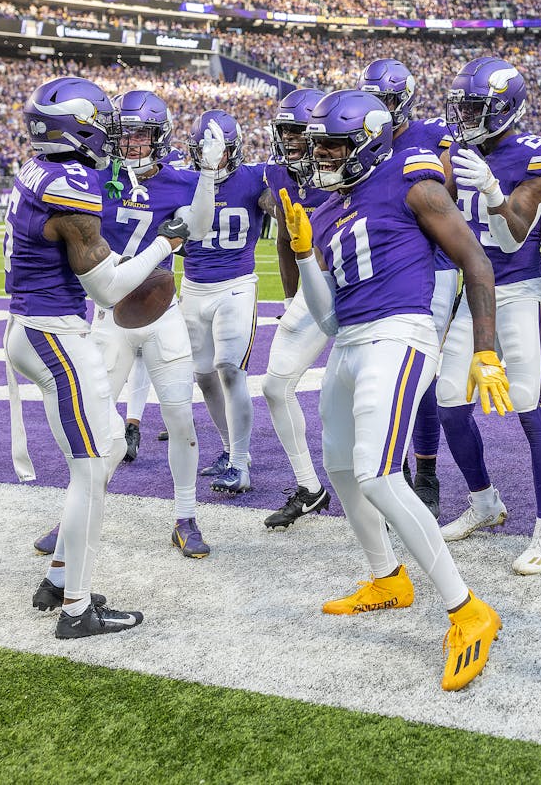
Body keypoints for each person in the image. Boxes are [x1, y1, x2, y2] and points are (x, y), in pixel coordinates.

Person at [282, 88, 508, 690]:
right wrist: (303, 255)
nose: (322, 155)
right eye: (317, 144)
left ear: (368, 143)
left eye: (334, 144)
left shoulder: (412, 179)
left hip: (400, 333)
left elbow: (476, 262)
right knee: (344, 469)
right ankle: (388, 577)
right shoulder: (328, 207)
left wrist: (485, 349)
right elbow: (328, 320)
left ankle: (468, 609)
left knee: (380, 473)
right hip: (351, 339)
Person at [2, 75, 191, 638]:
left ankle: (60, 577)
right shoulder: (69, 184)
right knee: (91, 471)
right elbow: (107, 290)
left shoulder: (38, 169)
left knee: (105, 447)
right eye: (101, 125)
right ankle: (78, 609)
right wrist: (165, 244)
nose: (109, 135)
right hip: (54, 335)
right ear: (79, 128)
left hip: (30, 327)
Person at [53, 88, 220, 558]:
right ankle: (74, 516)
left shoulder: (178, 181)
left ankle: (185, 516)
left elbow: (201, 228)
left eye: (142, 136)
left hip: (162, 312)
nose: (131, 146)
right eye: (124, 136)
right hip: (109, 315)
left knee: (180, 418)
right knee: (97, 424)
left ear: (159, 138)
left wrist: (207, 176)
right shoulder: (92, 176)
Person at [437, 57, 541, 576]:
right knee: (449, 402)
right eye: (462, 105)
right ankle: (485, 501)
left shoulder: (539, 154)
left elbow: (514, 235)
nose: (465, 116)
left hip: (518, 292)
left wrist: (492, 190)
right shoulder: (457, 150)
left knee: (530, 410)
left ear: (505, 109)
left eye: (476, 107)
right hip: (472, 293)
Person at [360, 58, 459, 517]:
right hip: (376, 264)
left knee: (420, 375)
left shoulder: (431, 136)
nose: (379, 108)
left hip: (430, 265)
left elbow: (446, 202)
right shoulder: (354, 134)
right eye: (374, 99)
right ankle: (389, 467)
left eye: (388, 100)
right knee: (374, 370)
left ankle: (425, 471)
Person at [255, 88, 336, 529]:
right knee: (274, 385)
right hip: (315, 285)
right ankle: (309, 486)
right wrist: (290, 298)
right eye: (283, 130)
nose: (288, 139)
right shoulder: (278, 172)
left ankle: (397, 479)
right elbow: (286, 239)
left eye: (297, 130)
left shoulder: (351, 164)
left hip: (366, 286)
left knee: (365, 393)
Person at [179, 109, 265, 495]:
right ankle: (229, 451)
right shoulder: (184, 180)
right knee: (203, 375)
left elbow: (282, 198)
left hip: (236, 284)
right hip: (193, 288)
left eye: (222, 150)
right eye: (207, 150)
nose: (216, 157)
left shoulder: (253, 178)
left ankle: (242, 463)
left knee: (230, 369)